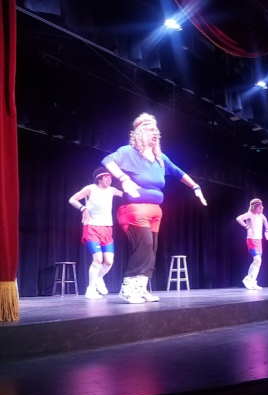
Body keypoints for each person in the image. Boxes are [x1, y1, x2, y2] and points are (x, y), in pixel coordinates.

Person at [102, 113, 207, 304]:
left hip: (155, 211)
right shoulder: (128, 152)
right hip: (134, 209)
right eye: (151, 130)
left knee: (152, 249)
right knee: (145, 246)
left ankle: (141, 288)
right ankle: (127, 288)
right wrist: (124, 179)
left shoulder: (160, 158)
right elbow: (107, 161)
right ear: (140, 132)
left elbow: (177, 171)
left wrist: (196, 187)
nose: (156, 133)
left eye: (157, 130)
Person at [69, 167, 123, 300]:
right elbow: (72, 199)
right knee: (98, 259)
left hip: (107, 229)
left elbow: (126, 195)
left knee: (109, 262)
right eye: (107, 177)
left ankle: (98, 278)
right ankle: (90, 289)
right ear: (99, 178)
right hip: (92, 227)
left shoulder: (111, 190)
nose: (109, 179)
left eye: (110, 177)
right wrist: (83, 208)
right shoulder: (90, 188)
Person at [236, 198, 268, 290]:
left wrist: (267, 231)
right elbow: (238, 218)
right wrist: (247, 227)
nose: (261, 208)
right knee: (257, 260)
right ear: (254, 207)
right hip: (251, 240)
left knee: (258, 262)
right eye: (259, 207)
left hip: (259, 241)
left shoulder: (261, 215)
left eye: (261, 206)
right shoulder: (249, 215)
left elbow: (265, 221)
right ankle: (248, 279)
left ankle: (252, 280)